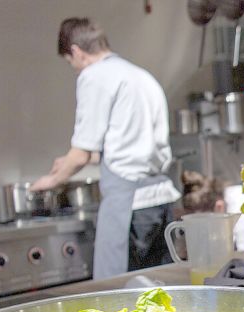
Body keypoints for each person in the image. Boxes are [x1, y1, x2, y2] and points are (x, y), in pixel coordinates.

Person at [31, 17, 181, 279]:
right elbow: (132, 141)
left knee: (120, 296)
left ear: (77, 52)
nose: (75, 69)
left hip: (130, 208)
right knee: (161, 291)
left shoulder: (94, 76)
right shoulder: (140, 75)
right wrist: (81, 160)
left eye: (71, 63)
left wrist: (52, 180)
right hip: (161, 203)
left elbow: (80, 152)